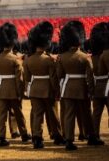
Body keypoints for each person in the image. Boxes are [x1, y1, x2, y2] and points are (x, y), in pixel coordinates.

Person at [56, 20, 102, 150]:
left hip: (67, 88)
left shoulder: (61, 57)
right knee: (86, 113)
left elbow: (59, 75)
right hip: (82, 89)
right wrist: (91, 91)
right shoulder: (85, 57)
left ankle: (69, 140)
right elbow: (90, 77)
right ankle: (91, 136)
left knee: (69, 115)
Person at [23, 21, 65, 148]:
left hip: (35, 89)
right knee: (52, 114)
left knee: (37, 114)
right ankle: (57, 135)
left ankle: (37, 137)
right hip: (48, 89)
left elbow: (27, 78)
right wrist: (57, 90)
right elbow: (53, 78)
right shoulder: (49, 60)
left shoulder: (28, 60)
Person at [0, 23, 31, 146]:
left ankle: (1, 137)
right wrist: (20, 93)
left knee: (1, 114)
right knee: (18, 113)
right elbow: (19, 79)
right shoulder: (15, 60)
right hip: (13, 90)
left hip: (1, 89)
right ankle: (24, 134)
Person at [89, 23, 109, 142]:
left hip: (97, 86)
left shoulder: (93, 57)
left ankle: (93, 135)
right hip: (107, 85)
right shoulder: (106, 54)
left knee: (96, 114)